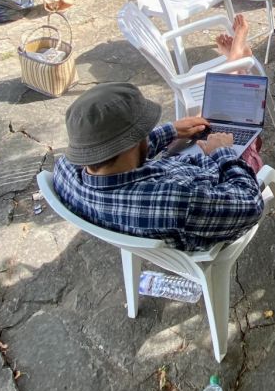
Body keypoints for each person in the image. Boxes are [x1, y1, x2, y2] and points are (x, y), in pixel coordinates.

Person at [53, 59, 264, 251]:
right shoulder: (175, 201)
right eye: (144, 131)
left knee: (201, 131)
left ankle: (235, 64)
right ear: (131, 145)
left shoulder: (65, 174)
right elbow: (251, 204)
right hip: (212, 205)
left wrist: (170, 131)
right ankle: (237, 64)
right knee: (244, 141)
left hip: (163, 202)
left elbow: (116, 150)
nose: (147, 133)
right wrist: (222, 152)